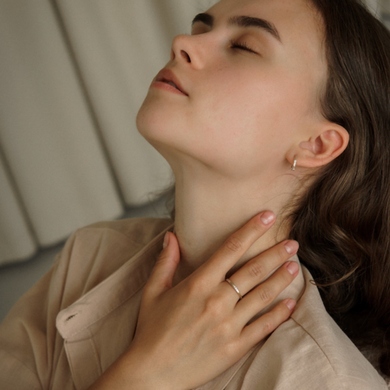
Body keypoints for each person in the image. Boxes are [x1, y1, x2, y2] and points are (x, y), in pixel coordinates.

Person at [0, 0, 389, 388]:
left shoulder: (330, 382)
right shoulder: (88, 255)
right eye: (201, 29)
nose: (182, 42)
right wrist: (145, 372)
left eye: (244, 46)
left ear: (317, 145)